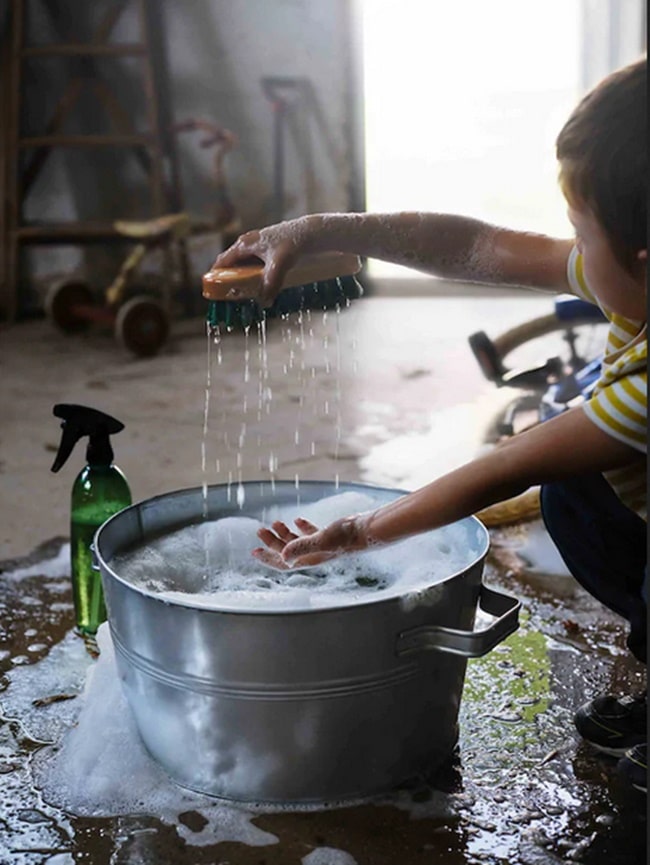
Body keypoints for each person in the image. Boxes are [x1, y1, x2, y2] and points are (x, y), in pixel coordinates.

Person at [212, 58, 647, 792]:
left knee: (555, 472)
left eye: (581, 230)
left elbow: (504, 465)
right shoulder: (634, 280)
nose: (570, 246)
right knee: (574, 494)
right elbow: (474, 245)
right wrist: (318, 231)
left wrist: (361, 529)